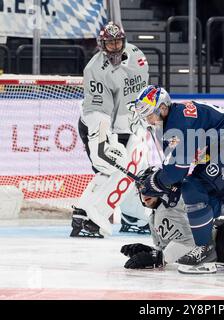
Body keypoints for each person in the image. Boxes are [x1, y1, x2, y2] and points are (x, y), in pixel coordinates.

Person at [130, 85, 224, 265]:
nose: (148, 119)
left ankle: (205, 249)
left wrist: (154, 183)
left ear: (162, 108)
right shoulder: (171, 121)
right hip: (222, 145)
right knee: (204, 204)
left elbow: (176, 170)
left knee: (195, 191)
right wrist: (169, 182)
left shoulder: (178, 123)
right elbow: (176, 167)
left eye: (149, 114)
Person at [70, 21, 151, 238]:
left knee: (138, 168)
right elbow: (97, 111)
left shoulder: (137, 54)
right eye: (110, 43)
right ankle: (87, 215)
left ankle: (132, 216)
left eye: (118, 42)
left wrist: (142, 119)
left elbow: (139, 93)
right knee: (110, 166)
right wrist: (104, 142)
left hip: (127, 124)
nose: (115, 47)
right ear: (101, 44)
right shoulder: (94, 69)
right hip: (98, 124)